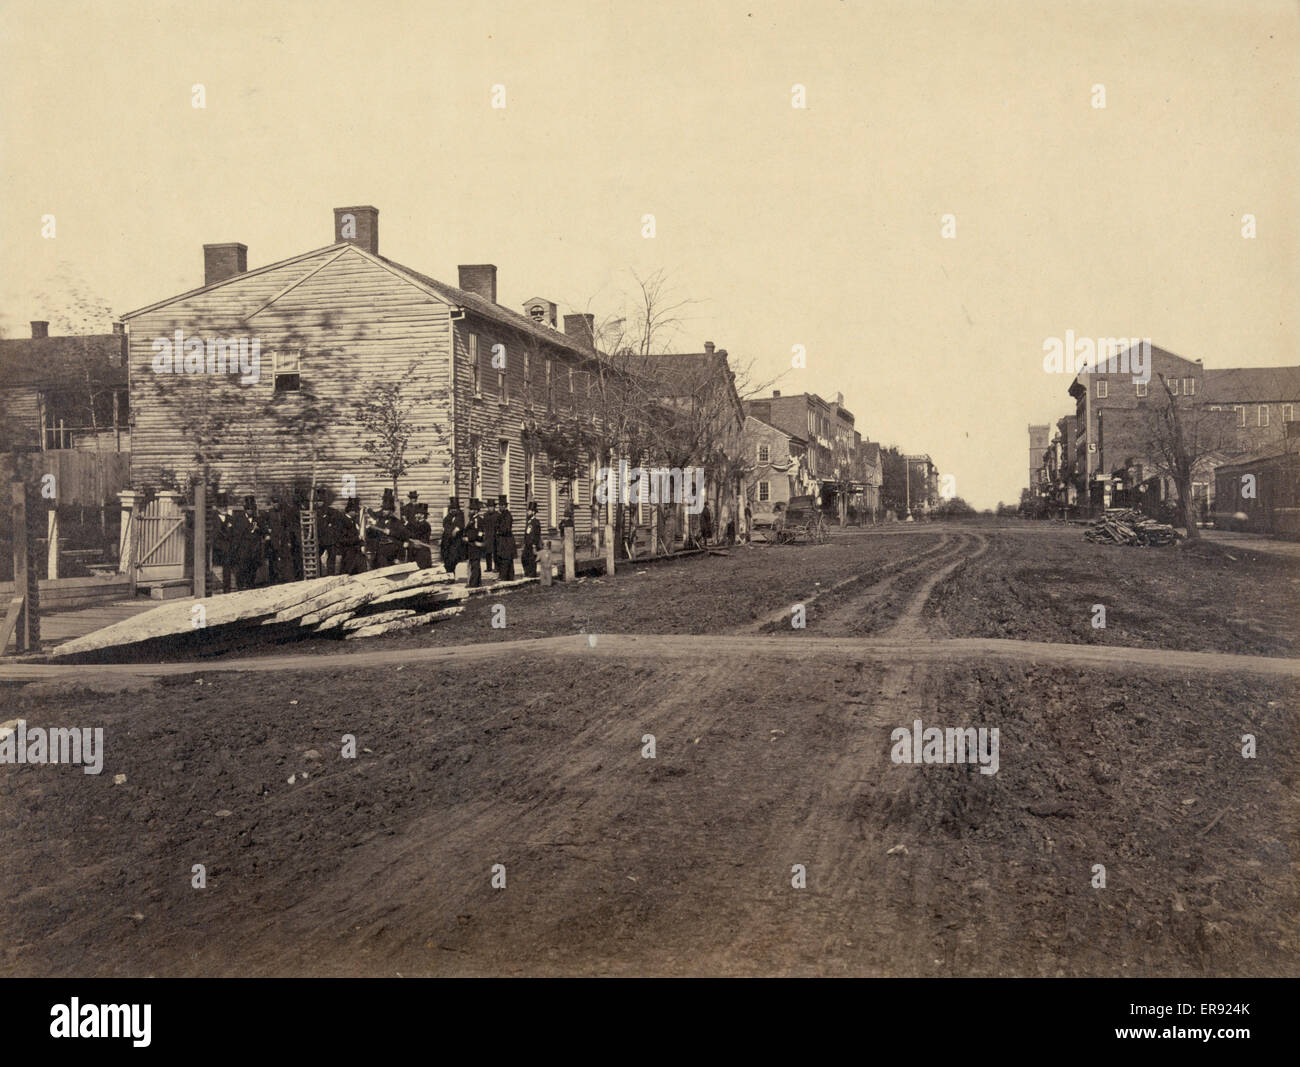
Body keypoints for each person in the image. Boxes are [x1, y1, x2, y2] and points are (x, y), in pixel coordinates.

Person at [465, 499, 486, 588]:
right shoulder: (472, 519)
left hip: (475, 544)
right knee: (474, 563)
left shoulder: (477, 520)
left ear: (476, 510)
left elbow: (479, 533)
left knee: (475, 564)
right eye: (470, 509)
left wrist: (469, 538)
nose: (470, 511)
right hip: (472, 545)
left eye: (472, 509)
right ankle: (477, 582)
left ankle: (474, 583)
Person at [407, 502, 434, 569]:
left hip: (422, 550)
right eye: (416, 513)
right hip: (413, 550)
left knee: (422, 569)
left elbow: (420, 535)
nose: (416, 515)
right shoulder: (413, 523)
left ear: (423, 515)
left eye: (419, 514)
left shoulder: (425, 525)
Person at [496, 494, 516, 580]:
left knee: (505, 558)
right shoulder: (502, 515)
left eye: (501, 506)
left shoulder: (507, 515)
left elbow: (506, 529)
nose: (499, 507)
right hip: (503, 539)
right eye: (499, 505)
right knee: (506, 558)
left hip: (507, 540)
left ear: (504, 506)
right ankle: (509, 576)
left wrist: (498, 531)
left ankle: (504, 576)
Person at [521, 500, 542, 578]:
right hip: (527, 544)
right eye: (527, 511)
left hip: (532, 544)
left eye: (529, 511)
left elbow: (536, 535)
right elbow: (527, 533)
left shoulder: (535, 522)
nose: (527, 512)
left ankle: (532, 574)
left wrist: (534, 545)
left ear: (533, 512)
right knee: (524, 558)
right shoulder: (529, 521)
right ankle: (527, 573)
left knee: (532, 560)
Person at [481, 498, 499, 574]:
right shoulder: (485, 515)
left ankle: (497, 567)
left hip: (495, 536)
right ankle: (489, 567)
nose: (490, 508)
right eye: (489, 507)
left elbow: (499, 525)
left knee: (495, 552)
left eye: (492, 507)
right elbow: (483, 525)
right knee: (487, 552)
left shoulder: (497, 515)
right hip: (487, 536)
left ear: (494, 507)